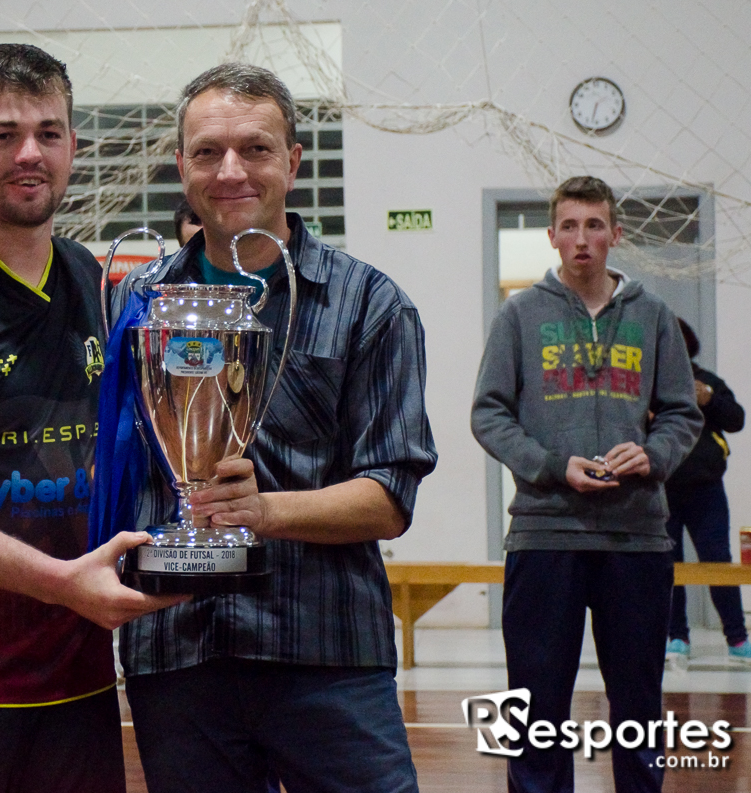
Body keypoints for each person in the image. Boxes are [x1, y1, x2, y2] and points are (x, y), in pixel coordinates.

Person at [0, 44, 237, 793]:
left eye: (49, 132)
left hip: (76, 680)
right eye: (3, 135)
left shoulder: (95, 282)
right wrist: (64, 581)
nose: (30, 153)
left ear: (73, 146)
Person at [106, 63, 438, 793]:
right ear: (181, 165)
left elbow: (390, 495)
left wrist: (264, 511)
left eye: (255, 149)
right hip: (177, 649)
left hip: (325, 653)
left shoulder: (372, 304)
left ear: (292, 160)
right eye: (207, 152)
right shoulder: (132, 301)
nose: (231, 171)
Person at [471, 175, 702, 792]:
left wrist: (652, 456)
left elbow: (683, 413)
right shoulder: (519, 315)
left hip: (637, 539)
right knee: (536, 713)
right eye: (569, 226)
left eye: (594, 225)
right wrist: (552, 465)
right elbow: (489, 412)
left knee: (638, 714)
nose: (582, 239)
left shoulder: (653, 317)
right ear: (551, 236)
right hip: (546, 534)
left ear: (615, 234)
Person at [664, 318, 748, 668]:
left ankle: (738, 638)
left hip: (706, 490)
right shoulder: (650, 384)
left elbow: (736, 419)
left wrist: (709, 399)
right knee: (668, 568)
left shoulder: (708, 382)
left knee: (717, 562)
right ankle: (677, 637)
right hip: (661, 490)